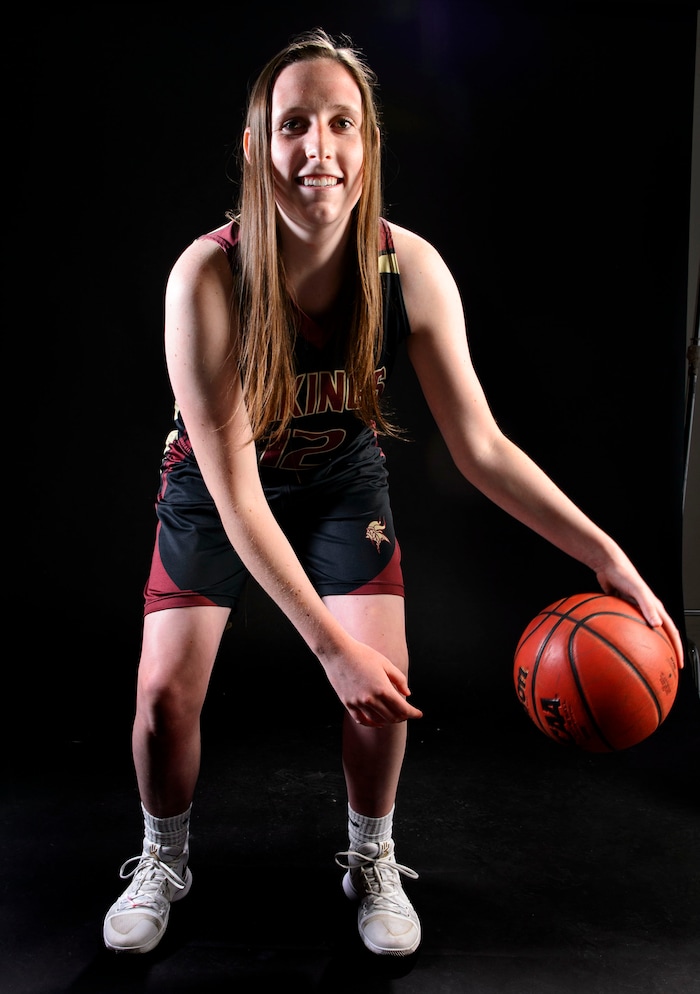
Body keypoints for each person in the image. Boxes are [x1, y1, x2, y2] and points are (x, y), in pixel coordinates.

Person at [102, 28, 684, 959]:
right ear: (258, 146)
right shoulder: (207, 276)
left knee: (387, 688)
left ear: (368, 144)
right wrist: (329, 649)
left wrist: (608, 558)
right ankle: (162, 856)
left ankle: (370, 856)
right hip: (221, 493)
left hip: (338, 480)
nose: (318, 148)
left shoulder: (405, 267)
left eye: (341, 123)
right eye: (293, 125)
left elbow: (483, 447)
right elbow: (239, 495)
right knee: (165, 696)